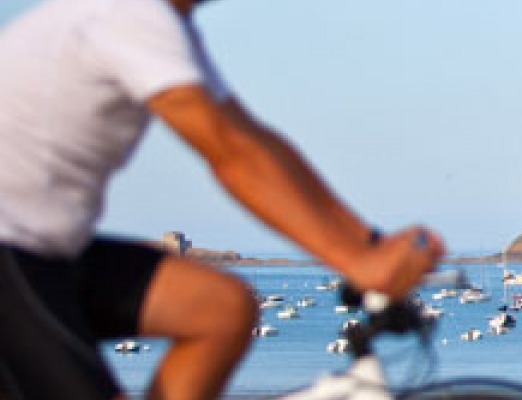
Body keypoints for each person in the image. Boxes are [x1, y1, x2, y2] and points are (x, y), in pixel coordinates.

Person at [0, 0, 445, 398]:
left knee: (220, 310)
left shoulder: (163, 25)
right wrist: (356, 262)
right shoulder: (129, 14)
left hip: (46, 254)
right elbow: (230, 152)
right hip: (12, 253)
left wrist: (365, 243)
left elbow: (257, 142)